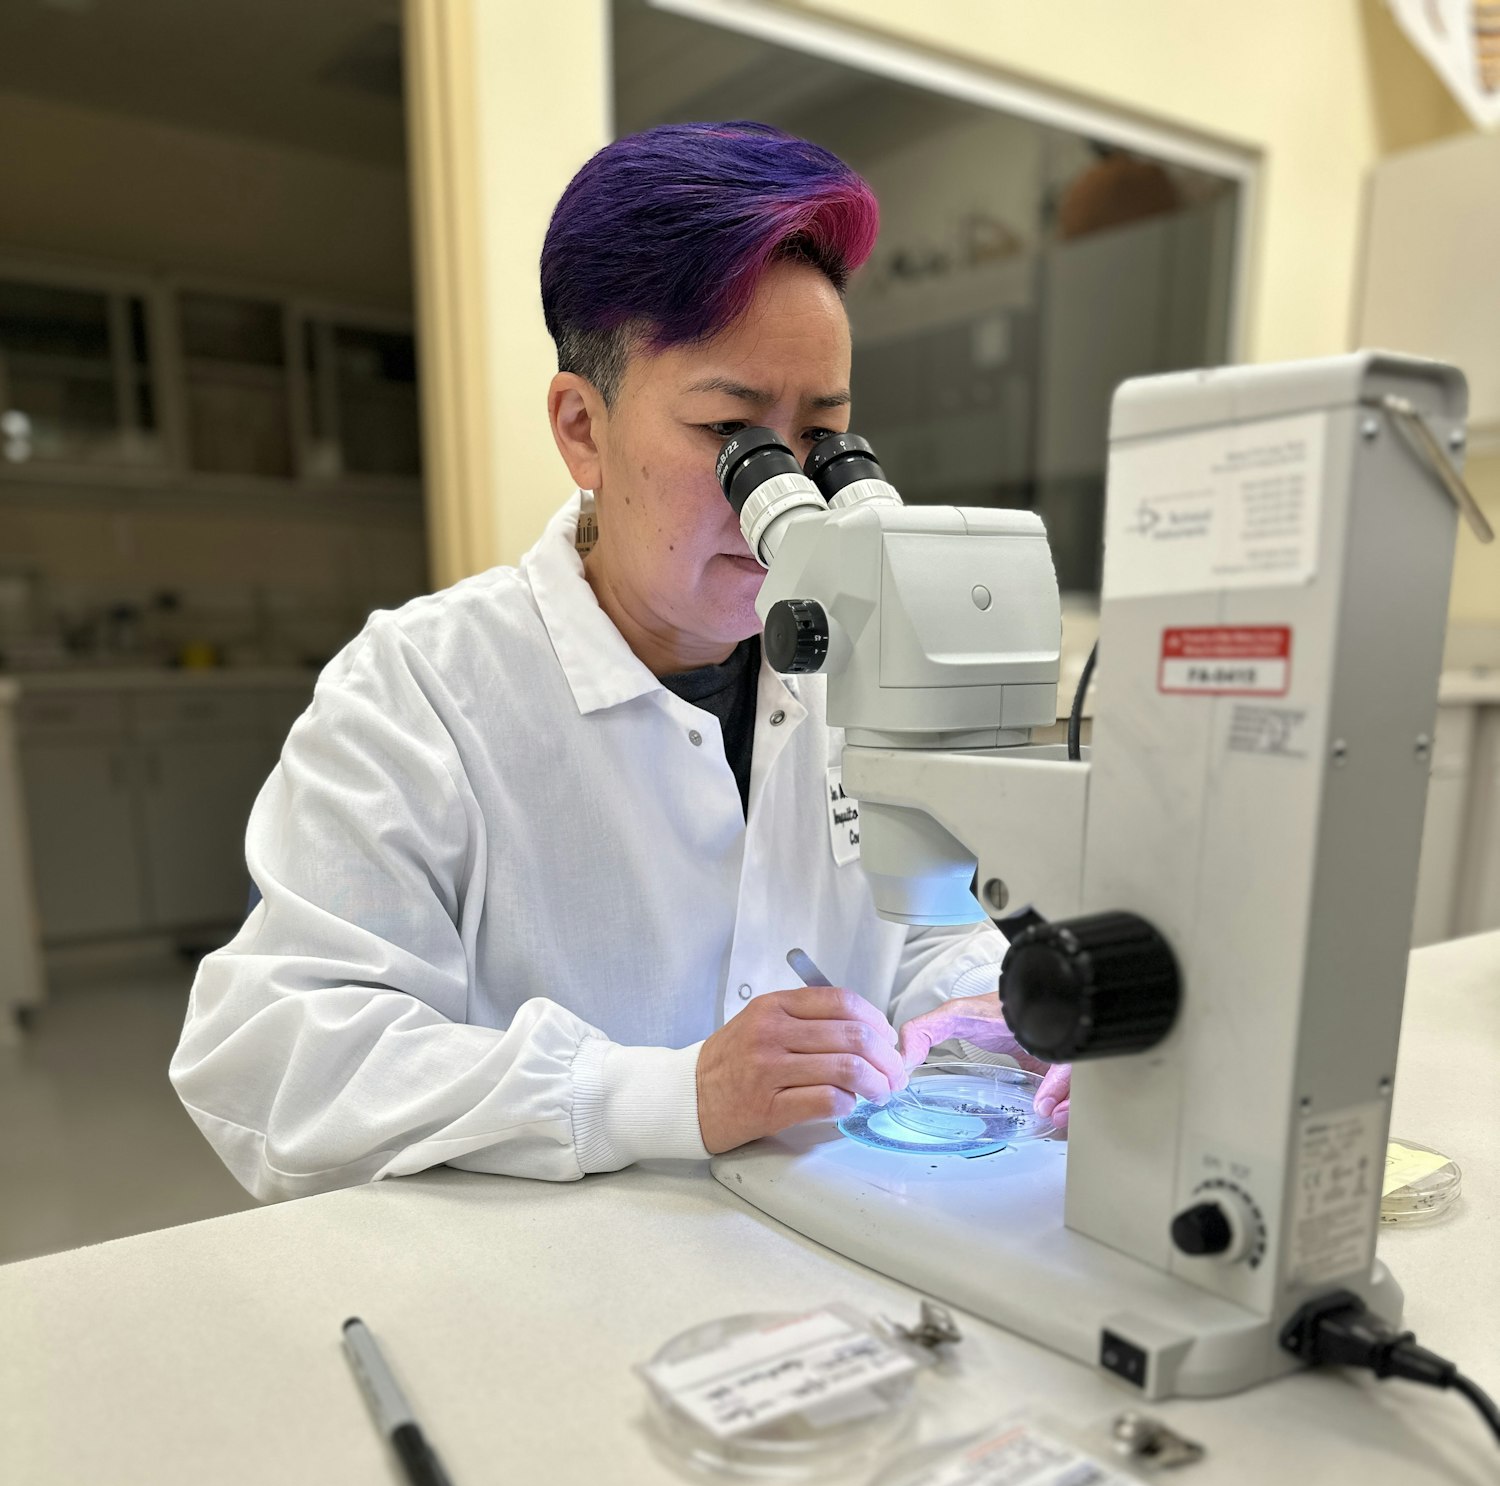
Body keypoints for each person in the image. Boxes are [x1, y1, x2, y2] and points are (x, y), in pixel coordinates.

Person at [170, 122, 1069, 1202]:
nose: (784, 489)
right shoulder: (419, 690)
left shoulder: (856, 658)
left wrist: (995, 1000)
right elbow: (275, 1060)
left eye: (823, 438)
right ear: (582, 429)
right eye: (734, 432)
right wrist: (659, 1092)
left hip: (819, 1240)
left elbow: (917, 928)